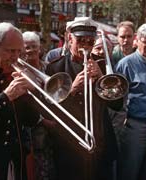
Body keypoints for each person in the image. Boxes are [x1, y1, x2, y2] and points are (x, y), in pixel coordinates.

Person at [44, 16, 121, 180]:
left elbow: (117, 105)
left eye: (90, 41)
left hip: (100, 142)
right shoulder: (55, 67)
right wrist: (72, 89)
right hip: (69, 144)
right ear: (69, 38)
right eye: (80, 40)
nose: (86, 45)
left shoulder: (103, 65)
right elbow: (49, 109)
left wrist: (102, 79)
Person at [0, 22, 41, 180]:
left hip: (16, 161)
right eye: (10, 51)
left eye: (19, 51)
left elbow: (31, 120)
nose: (16, 57)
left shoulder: (12, 74)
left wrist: (29, 93)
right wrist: (6, 97)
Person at [115, 23, 146, 180]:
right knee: (130, 170)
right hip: (136, 126)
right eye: (144, 41)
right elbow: (115, 100)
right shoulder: (125, 64)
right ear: (137, 40)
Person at [22, 31, 56, 180]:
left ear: (40, 48)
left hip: (53, 126)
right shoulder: (19, 71)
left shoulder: (49, 68)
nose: (30, 51)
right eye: (26, 47)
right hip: (33, 128)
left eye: (34, 46)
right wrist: (42, 120)